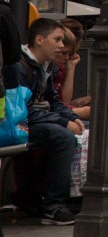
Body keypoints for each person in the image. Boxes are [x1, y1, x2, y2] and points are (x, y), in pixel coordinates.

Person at [9, 18, 83, 224]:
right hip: (16, 125)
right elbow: (22, 110)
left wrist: (73, 117)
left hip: (35, 120)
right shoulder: (19, 66)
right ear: (40, 40)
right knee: (62, 136)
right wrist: (62, 122)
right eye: (57, 39)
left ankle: (32, 194)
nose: (61, 45)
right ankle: (54, 204)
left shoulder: (44, 67)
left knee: (77, 130)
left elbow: (53, 101)